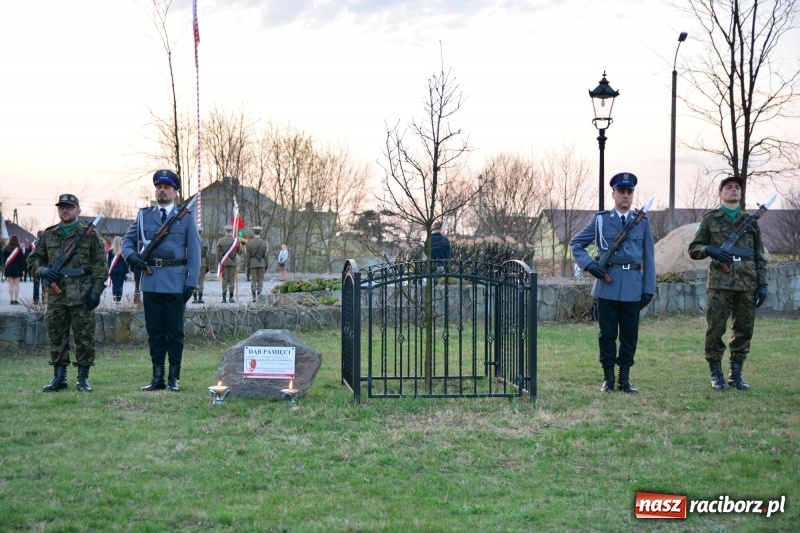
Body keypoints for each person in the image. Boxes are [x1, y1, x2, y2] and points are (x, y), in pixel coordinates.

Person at [569, 172, 656, 394]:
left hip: (633, 286)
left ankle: (624, 379)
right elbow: (576, 244)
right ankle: (608, 378)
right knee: (607, 335)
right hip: (607, 285)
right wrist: (589, 264)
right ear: (614, 194)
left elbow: (649, 257)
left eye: (629, 192)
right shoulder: (600, 220)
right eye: (621, 191)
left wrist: (648, 288)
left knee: (629, 336)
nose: (625, 195)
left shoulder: (642, 222)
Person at [122, 170, 201, 392]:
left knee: (174, 332)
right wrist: (132, 257)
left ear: (175, 192)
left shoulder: (186, 217)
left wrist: (191, 282)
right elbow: (128, 242)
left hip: (176, 283)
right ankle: (158, 377)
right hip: (150, 280)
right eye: (158, 187)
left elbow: (194, 251)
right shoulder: (144, 215)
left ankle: (174, 378)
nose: (162, 190)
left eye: (167, 187)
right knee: (155, 332)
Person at [688, 176, 768, 391]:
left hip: (747, 283)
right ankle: (716, 373)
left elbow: (758, 255)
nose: (733, 190)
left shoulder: (751, 222)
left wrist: (763, 284)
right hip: (719, 284)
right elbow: (694, 249)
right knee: (715, 329)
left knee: (744, 330)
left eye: (737, 188)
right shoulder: (710, 219)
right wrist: (709, 249)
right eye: (728, 187)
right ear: (720, 193)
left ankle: (736, 374)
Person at [27, 194, 107, 392]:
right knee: (57, 338)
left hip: (83, 295)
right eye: (62, 207)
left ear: (78, 211)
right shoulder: (48, 235)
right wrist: (43, 270)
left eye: (69, 207)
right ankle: (59, 377)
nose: (65, 210)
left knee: (85, 338)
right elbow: (32, 260)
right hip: (56, 297)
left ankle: (83, 378)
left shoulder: (91, 235)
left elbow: (101, 266)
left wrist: (96, 291)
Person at [217, 225, 238, 303]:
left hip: (224, 262)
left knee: (225, 280)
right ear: (231, 231)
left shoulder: (220, 241)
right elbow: (240, 252)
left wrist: (219, 264)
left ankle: (224, 298)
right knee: (231, 280)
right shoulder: (236, 241)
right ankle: (231, 298)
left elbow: (218, 254)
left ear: (226, 231)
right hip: (232, 263)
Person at [246, 226, 268, 302]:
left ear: (253, 233)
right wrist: (266, 265)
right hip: (261, 263)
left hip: (252, 263)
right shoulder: (264, 243)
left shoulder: (249, 243)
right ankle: (258, 294)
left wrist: (248, 266)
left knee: (253, 280)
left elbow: (248, 256)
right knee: (260, 280)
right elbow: (266, 255)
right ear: (260, 233)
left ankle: (253, 296)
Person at [192, 227, 213, 304]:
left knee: (194, 280)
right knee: (201, 281)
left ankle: (194, 299)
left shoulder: (192, 242)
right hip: (203, 263)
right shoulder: (205, 242)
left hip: (194, 263)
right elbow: (207, 255)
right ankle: (200, 298)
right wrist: (208, 266)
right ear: (201, 233)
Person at [3, 235, 25, 304]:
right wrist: (23, 269)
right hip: (18, 268)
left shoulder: (6, 249)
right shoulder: (19, 250)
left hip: (9, 268)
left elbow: (4, 261)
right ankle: (16, 299)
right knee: (16, 284)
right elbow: (22, 261)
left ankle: (11, 299)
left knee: (11, 284)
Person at [107, 236, 129, 303]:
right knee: (120, 285)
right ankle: (118, 299)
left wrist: (109, 271)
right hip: (121, 271)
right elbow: (125, 263)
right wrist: (126, 271)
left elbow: (109, 262)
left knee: (114, 285)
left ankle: (114, 298)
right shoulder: (123, 252)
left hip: (113, 270)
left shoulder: (110, 251)